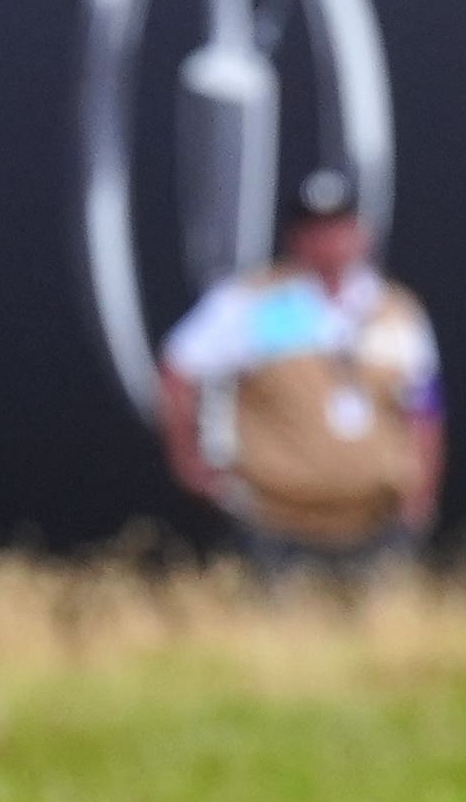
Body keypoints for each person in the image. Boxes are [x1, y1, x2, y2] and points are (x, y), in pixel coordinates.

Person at [159, 168, 444, 581]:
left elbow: (426, 404)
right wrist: (189, 460)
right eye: (315, 229)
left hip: (375, 520)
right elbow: (179, 369)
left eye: (339, 227)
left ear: (361, 232)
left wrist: (423, 490)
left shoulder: (397, 310)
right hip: (274, 522)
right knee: (277, 641)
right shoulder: (255, 303)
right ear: (295, 237)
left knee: (384, 638)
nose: (330, 241)